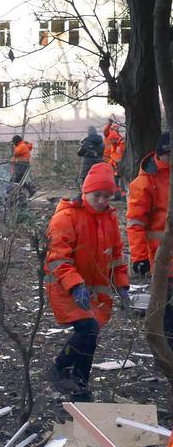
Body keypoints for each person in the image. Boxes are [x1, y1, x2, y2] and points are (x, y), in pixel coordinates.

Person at [44, 163, 129, 402]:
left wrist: (122, 286)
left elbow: (116, 257)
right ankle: (64, 371)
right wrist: (75, 284)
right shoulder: (65, 217)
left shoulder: (110, 219)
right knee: (88, 330)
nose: (102, 200)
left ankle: (76, 380)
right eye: (97, 195)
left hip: (93, 292)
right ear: (85, 192)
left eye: (106, 196)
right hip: (65, 288)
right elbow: (57, 258)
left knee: (90, 334)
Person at [127, 132, 170, 290]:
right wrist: (140, 257)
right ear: (161, 154)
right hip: (163, 258)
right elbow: (135, 223)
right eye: (168, 155)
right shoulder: (145, 183)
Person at [103, 119, 127, 199]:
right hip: (109, 160)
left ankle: (122, 195)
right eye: (115, 129)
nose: (116, 130)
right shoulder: (109, 136)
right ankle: (116, 194)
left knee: (121, 179)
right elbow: (105, 131)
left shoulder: (120, 141)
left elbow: (121, 153)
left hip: (117, 162)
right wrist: (109, 124)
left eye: (117, 129)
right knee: (114, 179)